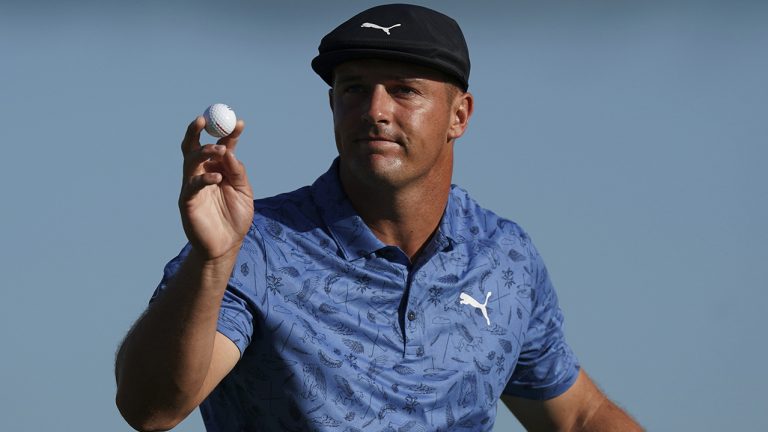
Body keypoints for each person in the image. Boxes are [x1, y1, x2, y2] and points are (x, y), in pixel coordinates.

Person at [115, 4, 642, 431]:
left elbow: (577, 416)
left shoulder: (503, 256)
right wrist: (212, 260)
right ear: (332, 106)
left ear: (459, 114)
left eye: (404, 90)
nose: (375, 110)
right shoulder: (253, 246)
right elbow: (153, 409)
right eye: (354, 89)